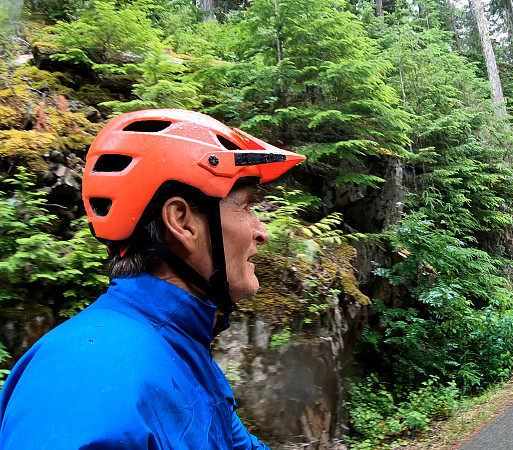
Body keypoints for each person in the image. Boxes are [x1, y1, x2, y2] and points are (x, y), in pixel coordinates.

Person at [0, 109, 305, 449]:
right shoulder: (91, 374)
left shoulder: (178, 350)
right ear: (182, 222)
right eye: (246, 207)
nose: (261, 232)